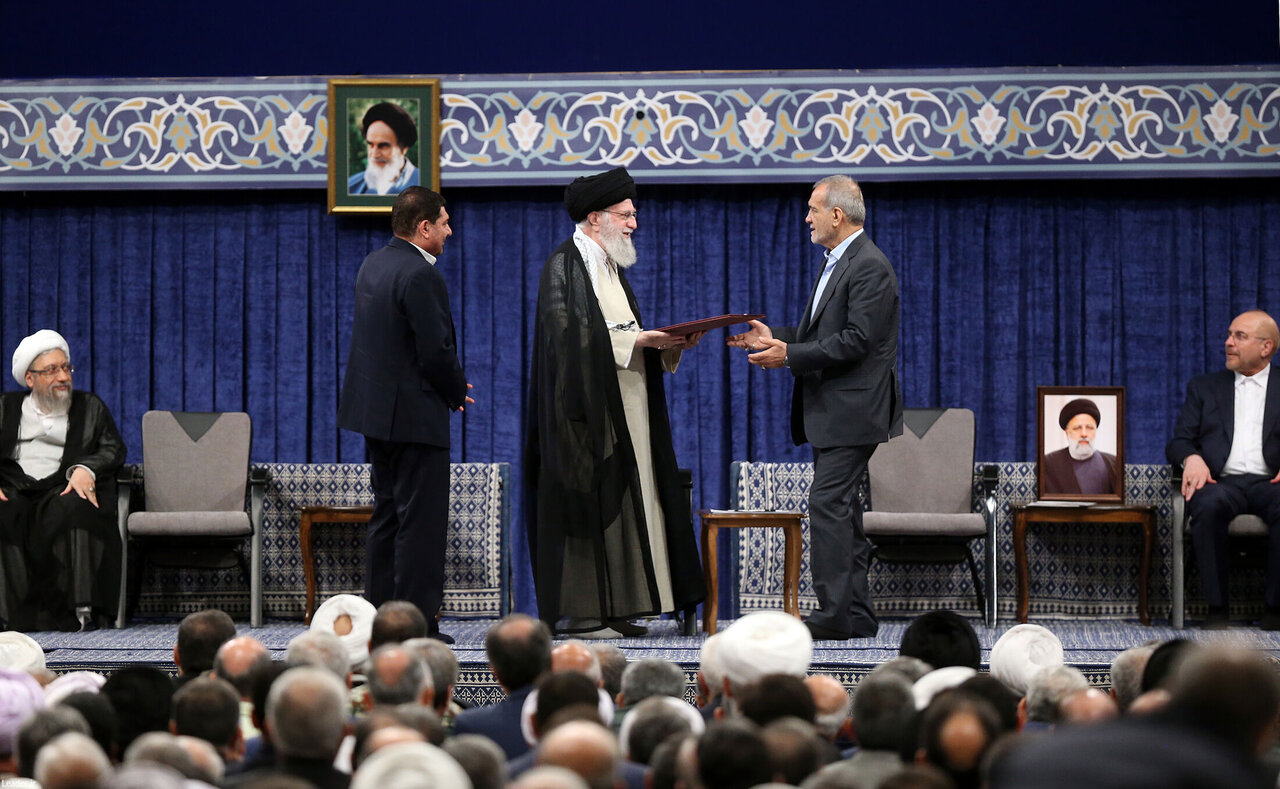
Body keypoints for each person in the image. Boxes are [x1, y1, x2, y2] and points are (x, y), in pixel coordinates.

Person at [525, 166, 704, 637]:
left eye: (632, 215)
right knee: (595, 505)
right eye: (625, 215)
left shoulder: (608, 265)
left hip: (630, 407)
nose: (633, 224)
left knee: (630, 502)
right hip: (586, 416)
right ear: (595, 217)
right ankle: (585, 614)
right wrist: (638, 340)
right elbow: (566, 338)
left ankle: (619, 606)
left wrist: (667, 344)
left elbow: (623, 335)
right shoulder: (565, 264)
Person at [728, 175, 901, 641]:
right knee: (843, 509)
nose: (807, 218)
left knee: (827, 504)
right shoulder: (840, 261)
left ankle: (834, 614)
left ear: (836, 215)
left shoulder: (869, 265)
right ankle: (857, 614)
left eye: (812, 209)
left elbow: (857, 340)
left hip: (854, 411)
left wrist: (789, 355)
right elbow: (825, 333)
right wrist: (777, 338)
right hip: (836, 412)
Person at [338, 187, 470, 644]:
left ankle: (380, 622)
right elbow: (435, 351)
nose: (450, 231)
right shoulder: (420, 273)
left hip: (377, 416)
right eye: (445, 223)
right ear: (424, 227)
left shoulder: (373, 263)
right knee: (420, 525)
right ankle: (416, 626)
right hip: (416, 418)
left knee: (387, 517)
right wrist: (455, 391)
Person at [0, 330, 125, 632]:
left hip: (63, 485)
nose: (63, 377)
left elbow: (113, 448)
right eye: (52, 370)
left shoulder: (90, 406)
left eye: (66, 368)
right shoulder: (5, 407)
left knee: (76, 506)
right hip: (14, 487)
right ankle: (8, 619)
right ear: (30, 378)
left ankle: (79, 612)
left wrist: (85, 468)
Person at [1167, 310, 1280, 629]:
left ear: (1266, 347)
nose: (1229, 342)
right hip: (1221, 482)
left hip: (1271, 483)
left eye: (1239, 336)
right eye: (1229, 335)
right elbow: (1179, 441)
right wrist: (1192, 458)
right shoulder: (1204, 387)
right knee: (1208, 504)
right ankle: (1217, 609)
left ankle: (1275, 609)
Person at [1041, 398, 1120, 495]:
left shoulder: (1114, 463)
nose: (1084, 434)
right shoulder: (1047, 464)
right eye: (1077, 428)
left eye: (1089, 428)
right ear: (1067, 432)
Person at [347, 101, 420, 196]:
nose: (374, 154)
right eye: (370, 145)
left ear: (404, 148)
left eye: (383, 146)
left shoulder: (425, 185)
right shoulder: (351, 187)